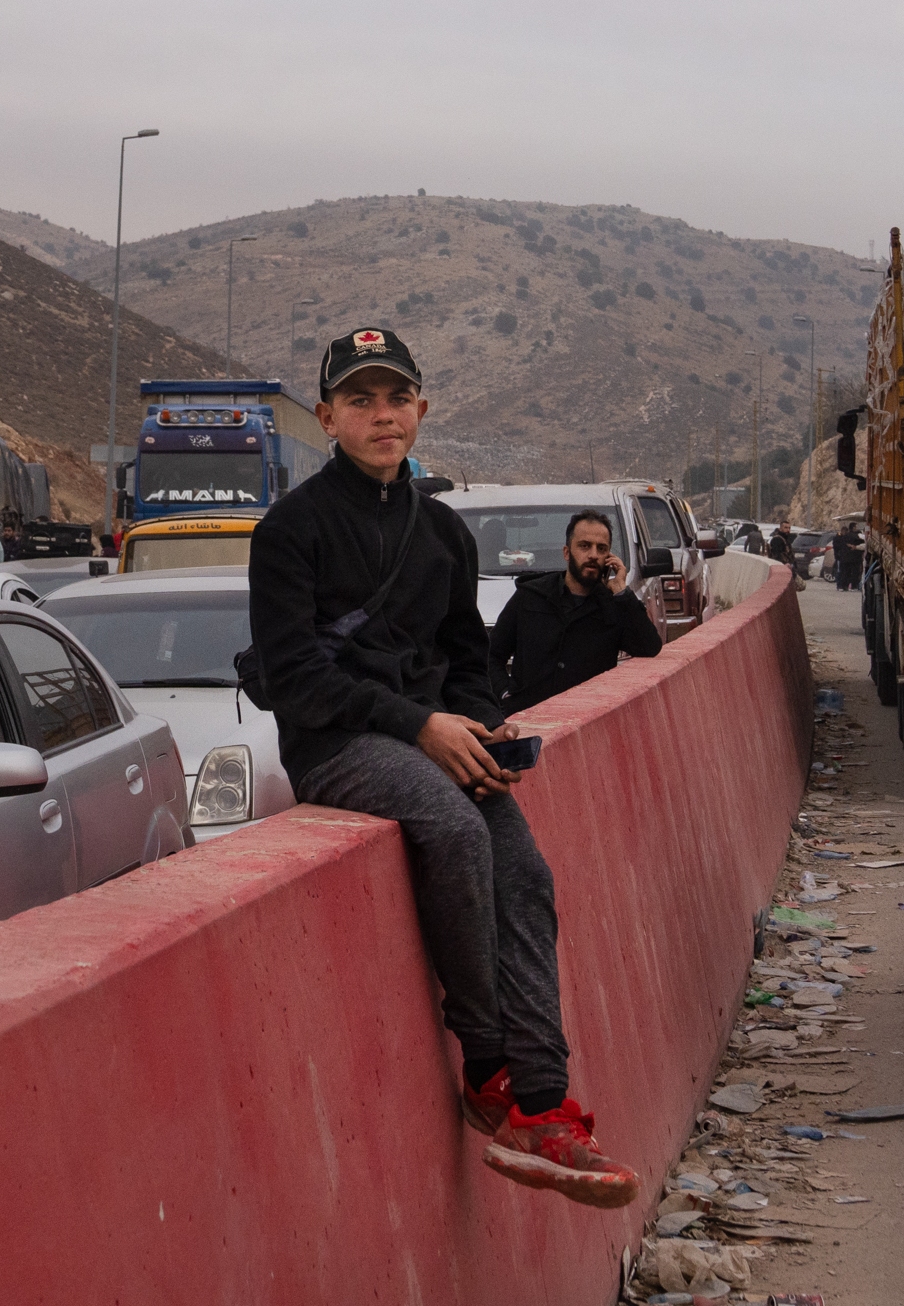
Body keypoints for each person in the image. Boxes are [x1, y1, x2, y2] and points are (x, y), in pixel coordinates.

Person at [247, 328, 637, 1207]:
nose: (381, 417)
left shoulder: (444, 535)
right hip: (337, 743)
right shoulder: (289, 532)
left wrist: (483, 726)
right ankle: (488, 1066)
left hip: (432, 734)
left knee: (526, 871)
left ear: (421, 410)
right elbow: (298, 676)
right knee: (457, 834)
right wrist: (421, 726)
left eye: (396, 399)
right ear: (326, 418)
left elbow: (468, 659)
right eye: (360, 401)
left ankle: (543, 1103)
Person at [489, 512, 664, 716]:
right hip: (530, 722)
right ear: (566, 552)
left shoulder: (614, 605)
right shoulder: (531, 596)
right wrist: (505, 694)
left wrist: (622, 592)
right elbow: (490, 655)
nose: (593, 555)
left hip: (588, 723)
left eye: (601, 548)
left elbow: (649, 646)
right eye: (584, 546)